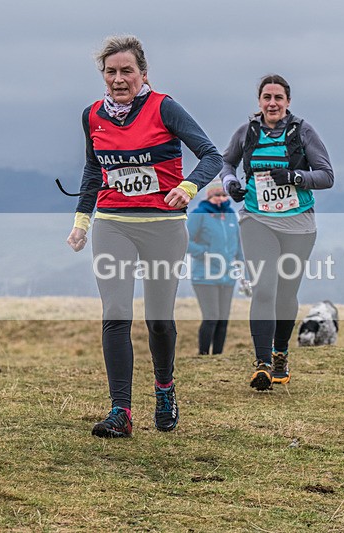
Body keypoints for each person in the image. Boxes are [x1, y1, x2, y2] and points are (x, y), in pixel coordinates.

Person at [65, 35, 223, 438]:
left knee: (158, 319)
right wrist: (82, 221)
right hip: (113, 224)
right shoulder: (92, 116)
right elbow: (92, 170)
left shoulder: (165, 107)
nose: (119, 79)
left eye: (127, 71)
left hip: (163, 227)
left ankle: (165, 388)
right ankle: (121, 410)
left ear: (142, 74)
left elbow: (211, 155)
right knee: (115, 313)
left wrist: (187, 189)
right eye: (111, 71)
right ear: (103, 75)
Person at [221, 74, 334, 390]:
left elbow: (326, 176)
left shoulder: (303, 132)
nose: (272, 103)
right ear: (259, 101)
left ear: (287, 102)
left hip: (298, 224)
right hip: (257, 219)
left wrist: (295, 177)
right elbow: (226, 163)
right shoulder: (247, 132)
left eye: (278, 98)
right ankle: (262, 364)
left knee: (285, 293)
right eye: (267, 97)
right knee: (264, 288)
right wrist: (231, 184)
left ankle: (280, 350)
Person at [187, 180, 244, 355]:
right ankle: (203, 354)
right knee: (211, 317)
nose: (220, 199)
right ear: (209, 197)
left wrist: (241, 265)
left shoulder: (231, 215)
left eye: (223, 195)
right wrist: (204, 252)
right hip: (204, 276)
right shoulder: (198, 214)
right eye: (216, 195)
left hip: (227, 276)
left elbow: (237, 243)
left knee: (223, 319)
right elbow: (185, 242)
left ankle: (218, 356)